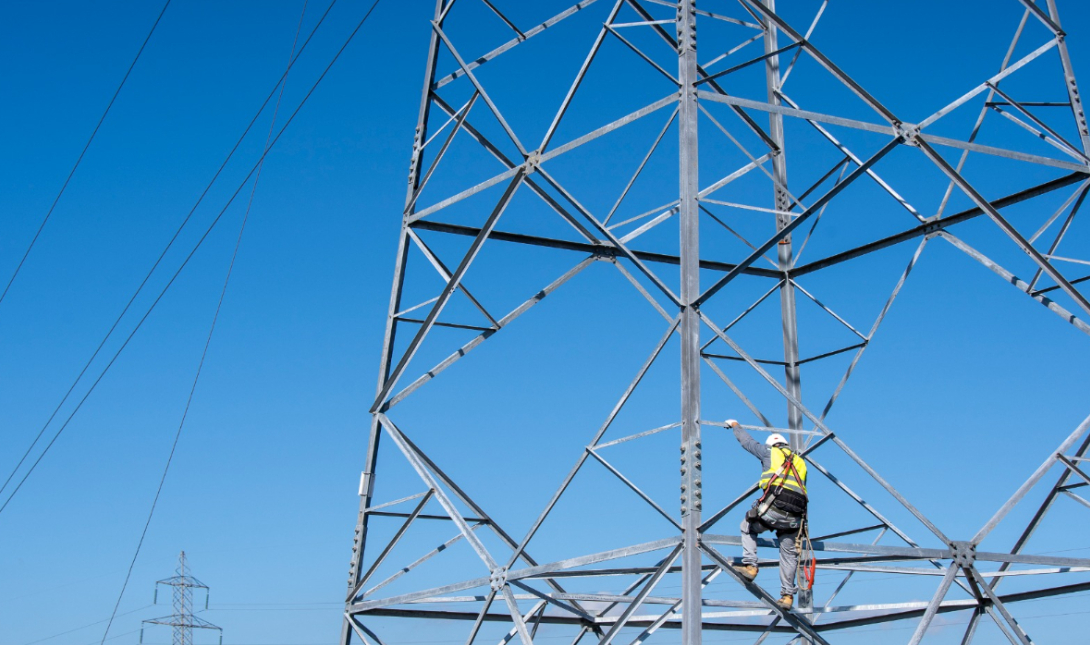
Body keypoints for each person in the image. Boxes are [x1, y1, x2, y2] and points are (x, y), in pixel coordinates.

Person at [726, 419, 808, 611]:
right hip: (795, 517)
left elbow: (748, 442)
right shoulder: (800, 462)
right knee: (789, 553)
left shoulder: (769, 452)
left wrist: (736, 426)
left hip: (773, 508)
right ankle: (787, 596)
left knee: (747, 526)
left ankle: (750, 566)